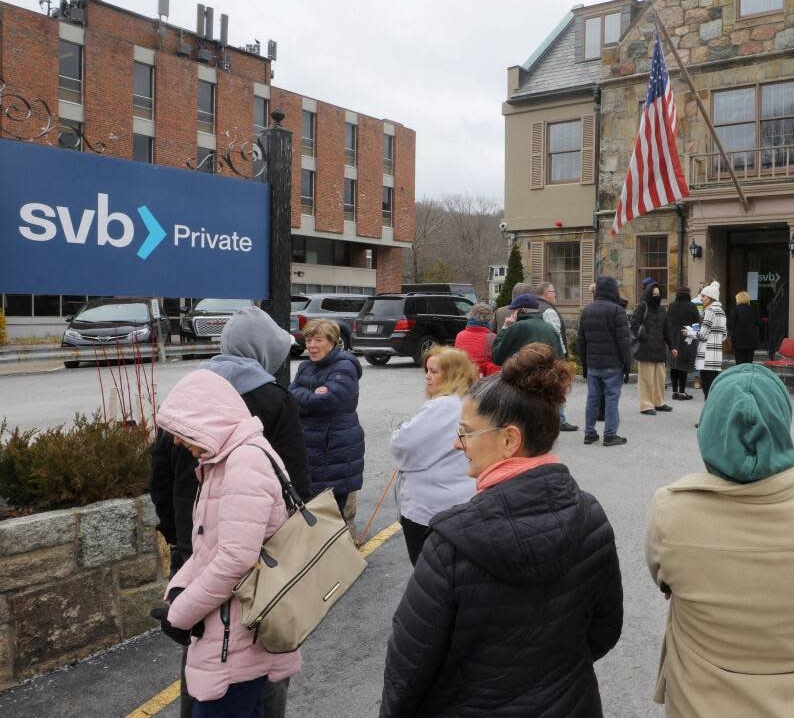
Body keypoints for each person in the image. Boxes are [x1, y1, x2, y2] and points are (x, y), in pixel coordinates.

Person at [379, 344, 624, 717]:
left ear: (510, 439)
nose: (456, 443)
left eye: (466, 432)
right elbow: (604, 631)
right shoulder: (591, 516)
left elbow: (409, 668)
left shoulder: (450, 543)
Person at [645, 364, 794, 718]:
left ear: (711, 429)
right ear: (782, 423)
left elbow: (663, 580)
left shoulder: (672, 511)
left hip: (699, 705)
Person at [150, 306, 311, 718]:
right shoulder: (274, 401)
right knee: (255, 656)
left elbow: (161, 475)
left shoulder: (191, 392)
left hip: (202, 542)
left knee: (204, 646)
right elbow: (297, 486)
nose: (188, 445)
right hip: (259, 561)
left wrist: (177, 533)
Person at [388, 347, 478, 565]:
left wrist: (400, 430)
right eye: (426, 370)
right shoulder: (470, 401)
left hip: (430, 506)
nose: (427, 376)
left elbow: (403, 444)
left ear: (452, 374)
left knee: (429, 571)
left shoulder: (441, 406)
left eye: (434, 371)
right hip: (463, 497)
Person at [289, 318, 364, 538]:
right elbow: (289, 396)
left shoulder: (344, 366)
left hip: (335, 449)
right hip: (312, 448)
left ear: (332, 343)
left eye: (318, 340)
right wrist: (309, 395)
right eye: (309, 339)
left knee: (335, 511)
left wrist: (306, 397)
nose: (311, 345)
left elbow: (325, 402)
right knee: (314, 509)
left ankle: (342, 560)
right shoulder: (305, 367)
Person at [577, 275, 633, 447]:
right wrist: (627, 366)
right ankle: (610, 434)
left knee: (592, 399)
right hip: (612, 364)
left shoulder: (586, 310)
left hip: (593, 364)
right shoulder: (617, 311)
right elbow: (624, 341)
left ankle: (589, 432)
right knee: (611, 399)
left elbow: (581, 341)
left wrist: (584, 365)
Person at [537, 281, 578, 432]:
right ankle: (559, 420)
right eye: (554, 292)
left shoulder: (535, 307)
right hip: (554, 356)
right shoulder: (549, 310)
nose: (555, 295)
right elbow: (556, 335)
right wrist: (563, 357)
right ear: (547, 294)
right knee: (558, 388)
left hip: (540, 354)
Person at [631, 281, 673, 415]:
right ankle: (646, 405)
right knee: (646, 380)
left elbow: (667, 329)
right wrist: (644, 336)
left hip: (660, 349)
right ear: (649, 294)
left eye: (658, 294)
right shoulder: (642, 307)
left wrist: (672, 346)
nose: (657, 296)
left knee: (660, 379)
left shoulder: (662, 310)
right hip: (645, 349)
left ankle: (658, 402)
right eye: (654, 293)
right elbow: (634, 324)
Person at [490, 293, 564, 365]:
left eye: (514, 310)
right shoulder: (551, 329)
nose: (511, 314)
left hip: (522, 376)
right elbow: (560, 360)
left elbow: (497, 357)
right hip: (547, 376)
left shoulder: (516, 328)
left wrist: (505, 327)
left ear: (522, 310)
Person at [665, 287, 700, 401]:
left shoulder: (671, 306)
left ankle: (674, 391)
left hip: (672, 338)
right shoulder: (692, 306)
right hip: (687, 338)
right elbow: (697, 323)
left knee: (673, 366)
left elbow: (667, 322)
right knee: (683, 366)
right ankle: (682, 392)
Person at [695, 281, 727, 399]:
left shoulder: (709, 311)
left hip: (706, 356)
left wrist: (691, 333)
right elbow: (724, 335)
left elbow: (702, 335)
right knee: (714, 389)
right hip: (716, 355)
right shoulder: (721, 312)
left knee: (707, 391)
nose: (701, 299)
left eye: (703, 296)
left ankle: (709, 415)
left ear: (711, 297)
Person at [454, 301, 500, 378]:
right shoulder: (492, 337)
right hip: (482, 379)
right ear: (489, 319)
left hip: (462, 377)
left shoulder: (460, 335)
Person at [729, 291, 759, 366]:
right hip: (751, 341)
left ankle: (740, 377)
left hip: (738, 341)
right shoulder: (753, 310)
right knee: (749, 363)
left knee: (739, 364)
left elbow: (730, 325)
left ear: (738, 299)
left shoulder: (734, 310)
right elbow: (759, 323)